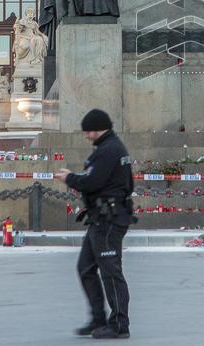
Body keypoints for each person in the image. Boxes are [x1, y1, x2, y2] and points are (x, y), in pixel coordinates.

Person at [58, 109, 135, 340]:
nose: (86, 136)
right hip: (101, 218)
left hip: (109, 219)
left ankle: (120, 324)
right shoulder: (109, 148)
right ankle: (98, 319)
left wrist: (69, 178)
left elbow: (92, 181)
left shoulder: (109, 150)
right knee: (86, 267)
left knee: (111, 272)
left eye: (87, 131)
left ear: (97, 128)